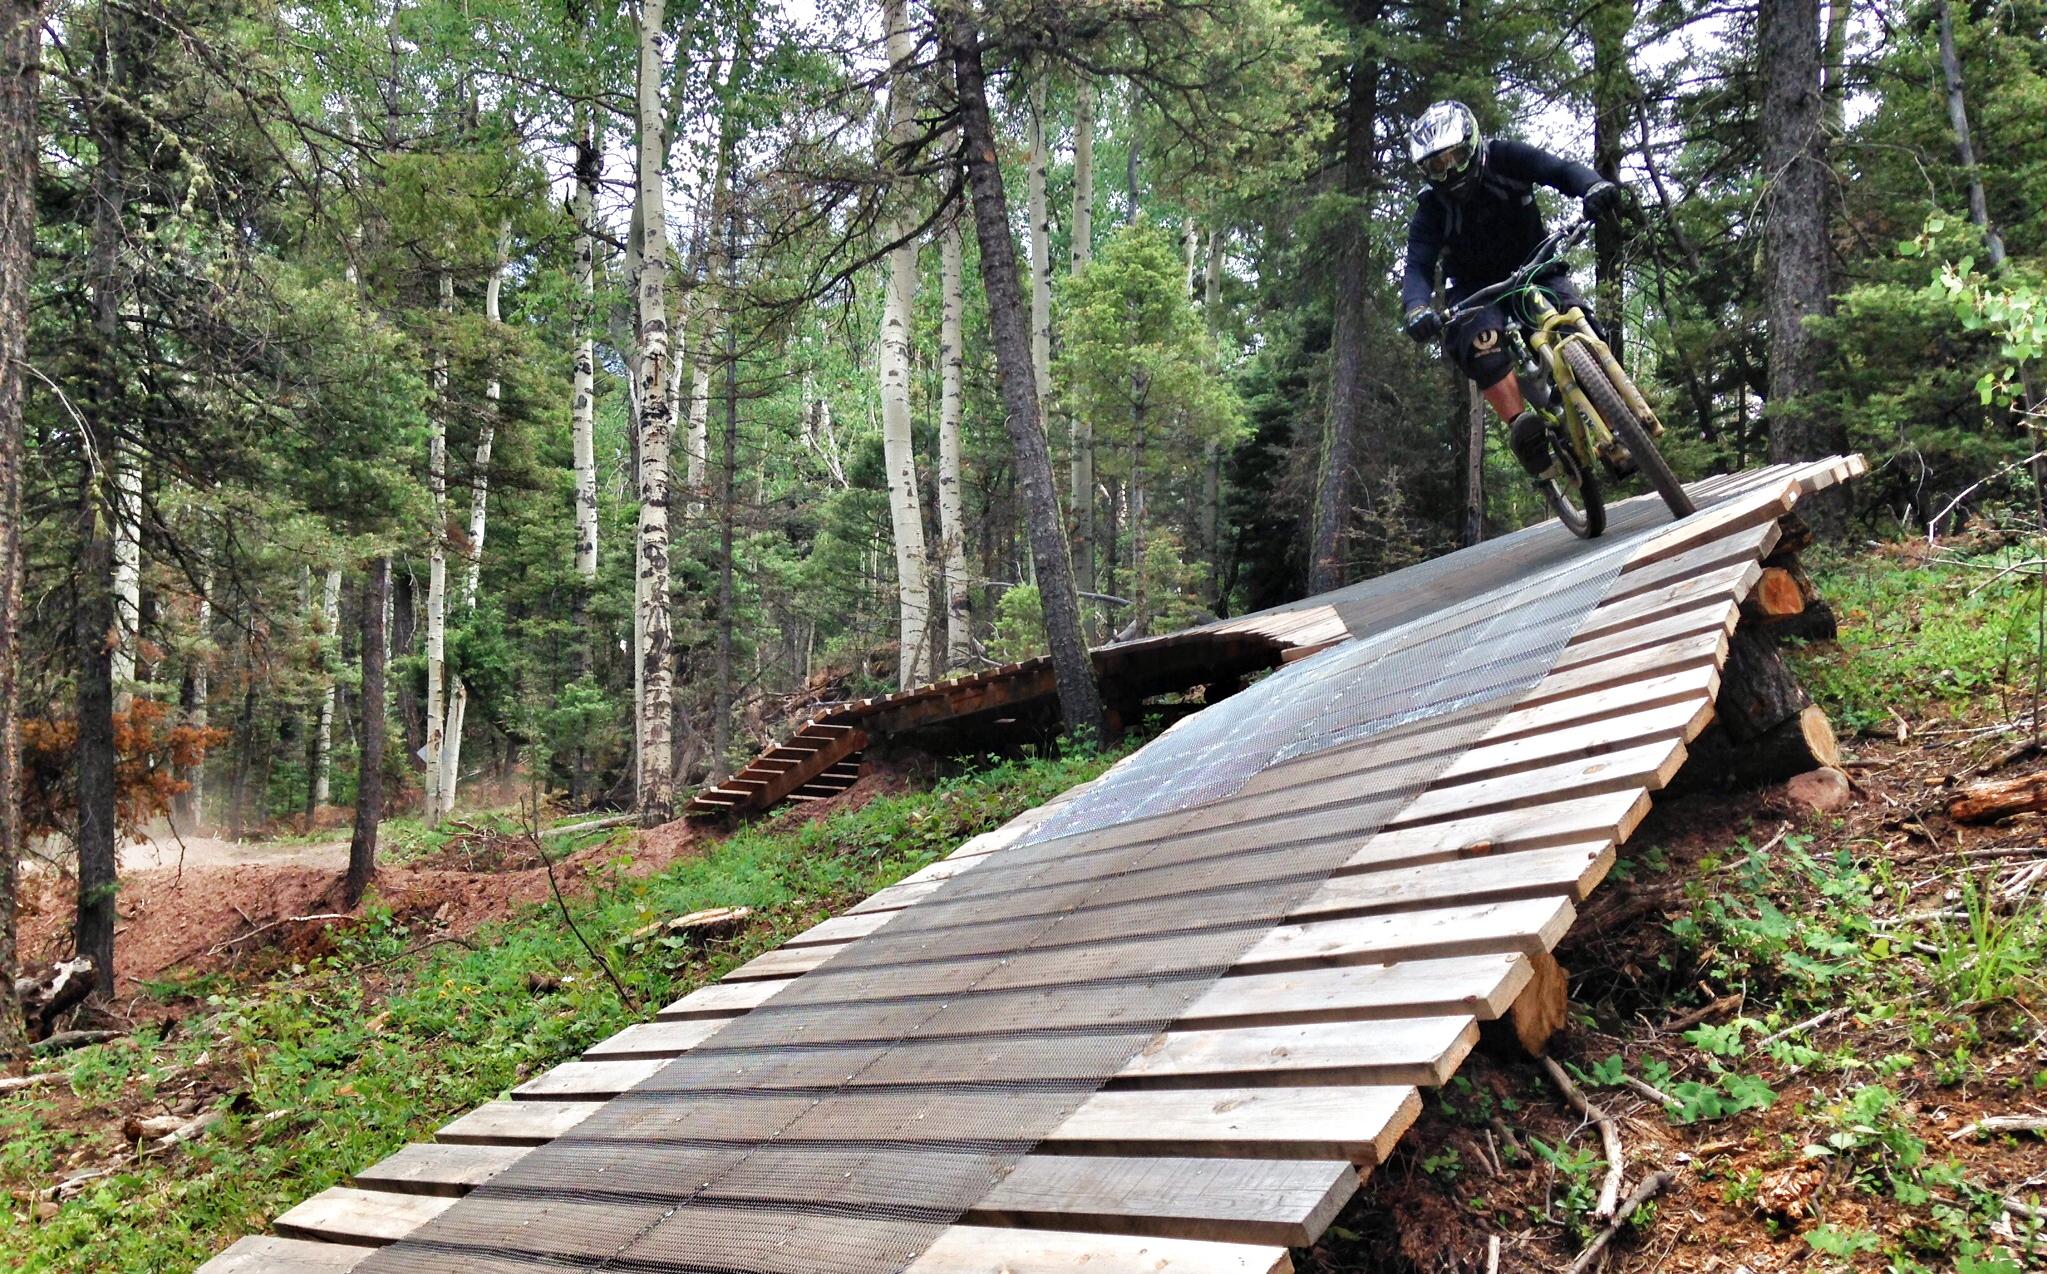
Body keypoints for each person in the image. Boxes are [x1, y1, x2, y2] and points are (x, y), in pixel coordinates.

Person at [1399, 101, 1626, 477]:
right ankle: (1524, 429)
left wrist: (1594, 186)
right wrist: (1416, 309)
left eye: (1455, 156)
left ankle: (1616, 427)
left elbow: (1558, 170)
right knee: (1480, 342)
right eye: (1437, 166)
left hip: (1536, 264)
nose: (1450, 170)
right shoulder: (1431, 209)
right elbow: (1418, 267)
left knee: (1577, 321)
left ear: (1471, 143)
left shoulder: (1505, 157)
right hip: (1476, 290)